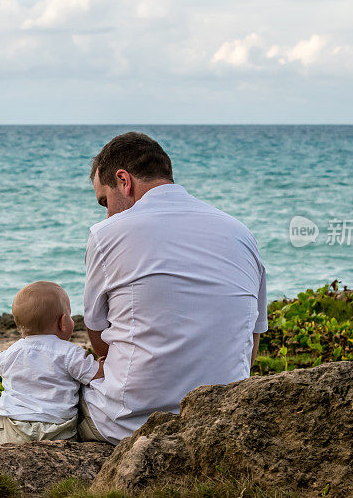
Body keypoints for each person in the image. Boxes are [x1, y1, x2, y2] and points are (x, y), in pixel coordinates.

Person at [77, 132, 268, 445]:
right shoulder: (241, 234)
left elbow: (99, 340)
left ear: (124, 181)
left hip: (131, 424)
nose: (107, 213)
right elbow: (251, 345)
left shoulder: (106, 234)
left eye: (105, 201)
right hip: (220, 417)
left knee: (63, 390)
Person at [0, 281, 104, 446]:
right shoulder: (70, 353)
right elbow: (96, 375)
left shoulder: (8, 354)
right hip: (58, 432)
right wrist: (103, 361)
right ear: (63, 322)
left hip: (14, 431)